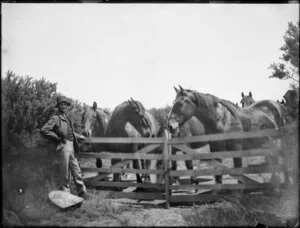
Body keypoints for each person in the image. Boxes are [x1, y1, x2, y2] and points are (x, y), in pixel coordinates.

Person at [41, 95, 88, 199]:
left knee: (76, 170)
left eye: (65, 104)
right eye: (61, 104)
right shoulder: (55, 118)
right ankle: (66, 195)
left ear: (67, 106)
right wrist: (57, 137)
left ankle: (82, 192)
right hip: (63, 146)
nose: (64, 106)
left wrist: (79, 136)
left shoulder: (67, 117)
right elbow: (44, 130)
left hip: (71, 146)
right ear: (58, 106)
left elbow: (69, 132)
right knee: (65, 173)